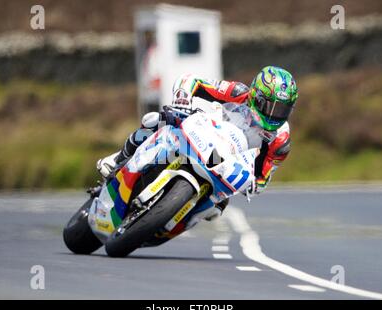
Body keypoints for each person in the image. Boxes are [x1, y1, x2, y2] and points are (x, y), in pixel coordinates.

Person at [97, 66, 298, 219]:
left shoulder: (280, 138)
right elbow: (193, 81)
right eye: (270, 107)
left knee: (217, 209)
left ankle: (174, 219)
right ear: (256, 96)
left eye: (282, 110)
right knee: (154, 120)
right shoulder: (237, 92)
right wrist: (183, 100)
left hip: (223, 162)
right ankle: (119, 158)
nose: (274, 115)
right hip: (201, 132)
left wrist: (255, 185)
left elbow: (263, 175)